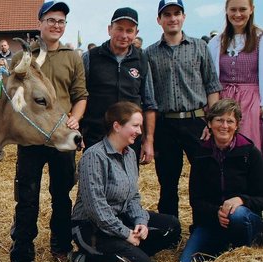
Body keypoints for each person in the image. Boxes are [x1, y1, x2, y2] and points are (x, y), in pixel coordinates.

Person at [9, 1, 88, 262]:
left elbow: (80, 96)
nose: (56, 25)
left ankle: (61, 247)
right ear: (40, 22)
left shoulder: (73, 56)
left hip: (62, 137)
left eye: (61, 21)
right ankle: (22, 256)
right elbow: (10, 94)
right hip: (31, 139)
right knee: (27, 198)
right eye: (51, 20)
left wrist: (75, 117)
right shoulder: (24, 57)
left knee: (62, 195)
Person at [71, 102, 181, 262]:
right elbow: (96, 209)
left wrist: (141, 223)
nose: (139, 131)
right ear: (117, 126)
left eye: (140, 126)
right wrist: (125, 233)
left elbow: (133, 197)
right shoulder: (94, 156)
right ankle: (86, 260)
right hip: (92, 228)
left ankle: (126, 251)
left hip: (121, 219)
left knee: (171, 227)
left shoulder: (130, 154)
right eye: (135, 126)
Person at [145, 0, 222, 218]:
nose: (172, 18)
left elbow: (212, 86)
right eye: (167, 14)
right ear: (159, 20)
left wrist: (212, 122)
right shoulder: (150, 53)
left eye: (177, 13)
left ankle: (203, 224)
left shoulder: (200, 47)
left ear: (184, 17)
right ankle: (170, 229)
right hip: (165, 123)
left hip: (196, 121)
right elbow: (148, 95)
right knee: (167, 180)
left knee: (203, 177)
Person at [180, 99, 263, 262]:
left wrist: (241, 200)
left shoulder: (250, 153)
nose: (224, 126)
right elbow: (195, 200)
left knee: (237, 214)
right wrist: (216, 212)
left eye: (230, 121)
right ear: (209, 123)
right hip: (212, 222)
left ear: (237, 124)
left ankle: (245, 249)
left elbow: (261, 197)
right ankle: (221, 246)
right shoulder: (201, 154)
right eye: (219, 120)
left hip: (243, 219)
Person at [81, 7, 157, 165]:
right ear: (109, 29)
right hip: (96, 135)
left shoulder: (142, 61)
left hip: (130, 138)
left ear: (136, 33)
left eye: (129, 31)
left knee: (126, 185)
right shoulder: (90, 57)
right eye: (119, 29)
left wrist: (148, 140)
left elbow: (149, 103)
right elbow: (80, 96)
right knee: (94, 182)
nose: (124, 35)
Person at [208, 0, 262, 151]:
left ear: (251, 10)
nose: (237, 14)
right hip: (223, 99)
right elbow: (212, 78)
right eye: (233, 10)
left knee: (247, 145)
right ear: (226, 10)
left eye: (242, 9)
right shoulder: (217, 41)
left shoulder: (260, 39)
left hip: (251, 101)